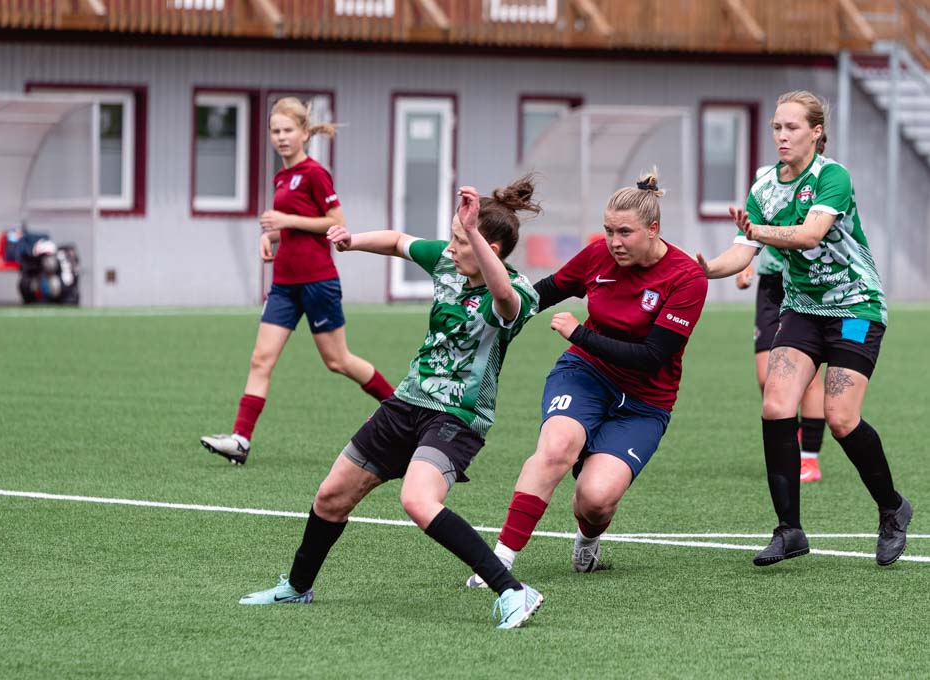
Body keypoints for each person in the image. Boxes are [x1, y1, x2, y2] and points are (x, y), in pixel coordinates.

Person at [237, 179, 546, 629]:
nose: (452, 247)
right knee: (331, 496)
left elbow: (503, 299)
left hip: (457, 416)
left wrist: (472, 233)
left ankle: (513, 591)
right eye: (454, 237)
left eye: (461, 240)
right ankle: (297, 587)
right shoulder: (448, 262)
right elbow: (399, 242)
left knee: (418, 500)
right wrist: (352, 240)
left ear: (489, 249)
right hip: (406, 402)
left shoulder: (516, 290)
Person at [696, 90, 911, 567]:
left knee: (840, 417)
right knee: (776, 406)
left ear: (816, 132)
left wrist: (757, 232)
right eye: (776, 127)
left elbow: (810, 234)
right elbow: (742, 252)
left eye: (791, 127)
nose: (781, 135)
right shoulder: (764, 188)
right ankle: (789, 530)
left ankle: (892, 508)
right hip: (803, 309)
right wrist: (706, 270)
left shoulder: (832, 177)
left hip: (855, 307)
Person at [467, 169, 708, 586]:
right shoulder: (598, 256)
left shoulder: (687, 278)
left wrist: (579, 333)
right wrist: (497, 313)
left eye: (625, 232)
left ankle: (588, 540)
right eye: (608, 230)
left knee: (595, 500)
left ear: (653, 229)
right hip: (585, 374)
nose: (614, 242)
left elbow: (652, 358)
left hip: (645, 401)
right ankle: (499, 561)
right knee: (557, 447)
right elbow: (542, 292)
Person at [201, 97, 394, 465]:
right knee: (260, 359)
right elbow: (292, 225)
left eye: (288, 130)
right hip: (284, 285)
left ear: (305, 133)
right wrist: (270, 236)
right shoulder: (281, 176)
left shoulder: (315, 173)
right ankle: (240, 440)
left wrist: (286, 222)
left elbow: (335, 222)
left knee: (338, 361)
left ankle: (401, 408)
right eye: (275, 131)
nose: (281, 137)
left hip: (317, 281)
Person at [738, 247, 827, 483]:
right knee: (766, 378)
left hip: (805, 280)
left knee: (809, 378)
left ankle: (809, 459)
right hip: (771, 283)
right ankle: (791, 436)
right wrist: (744, 264)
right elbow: (748, 237)